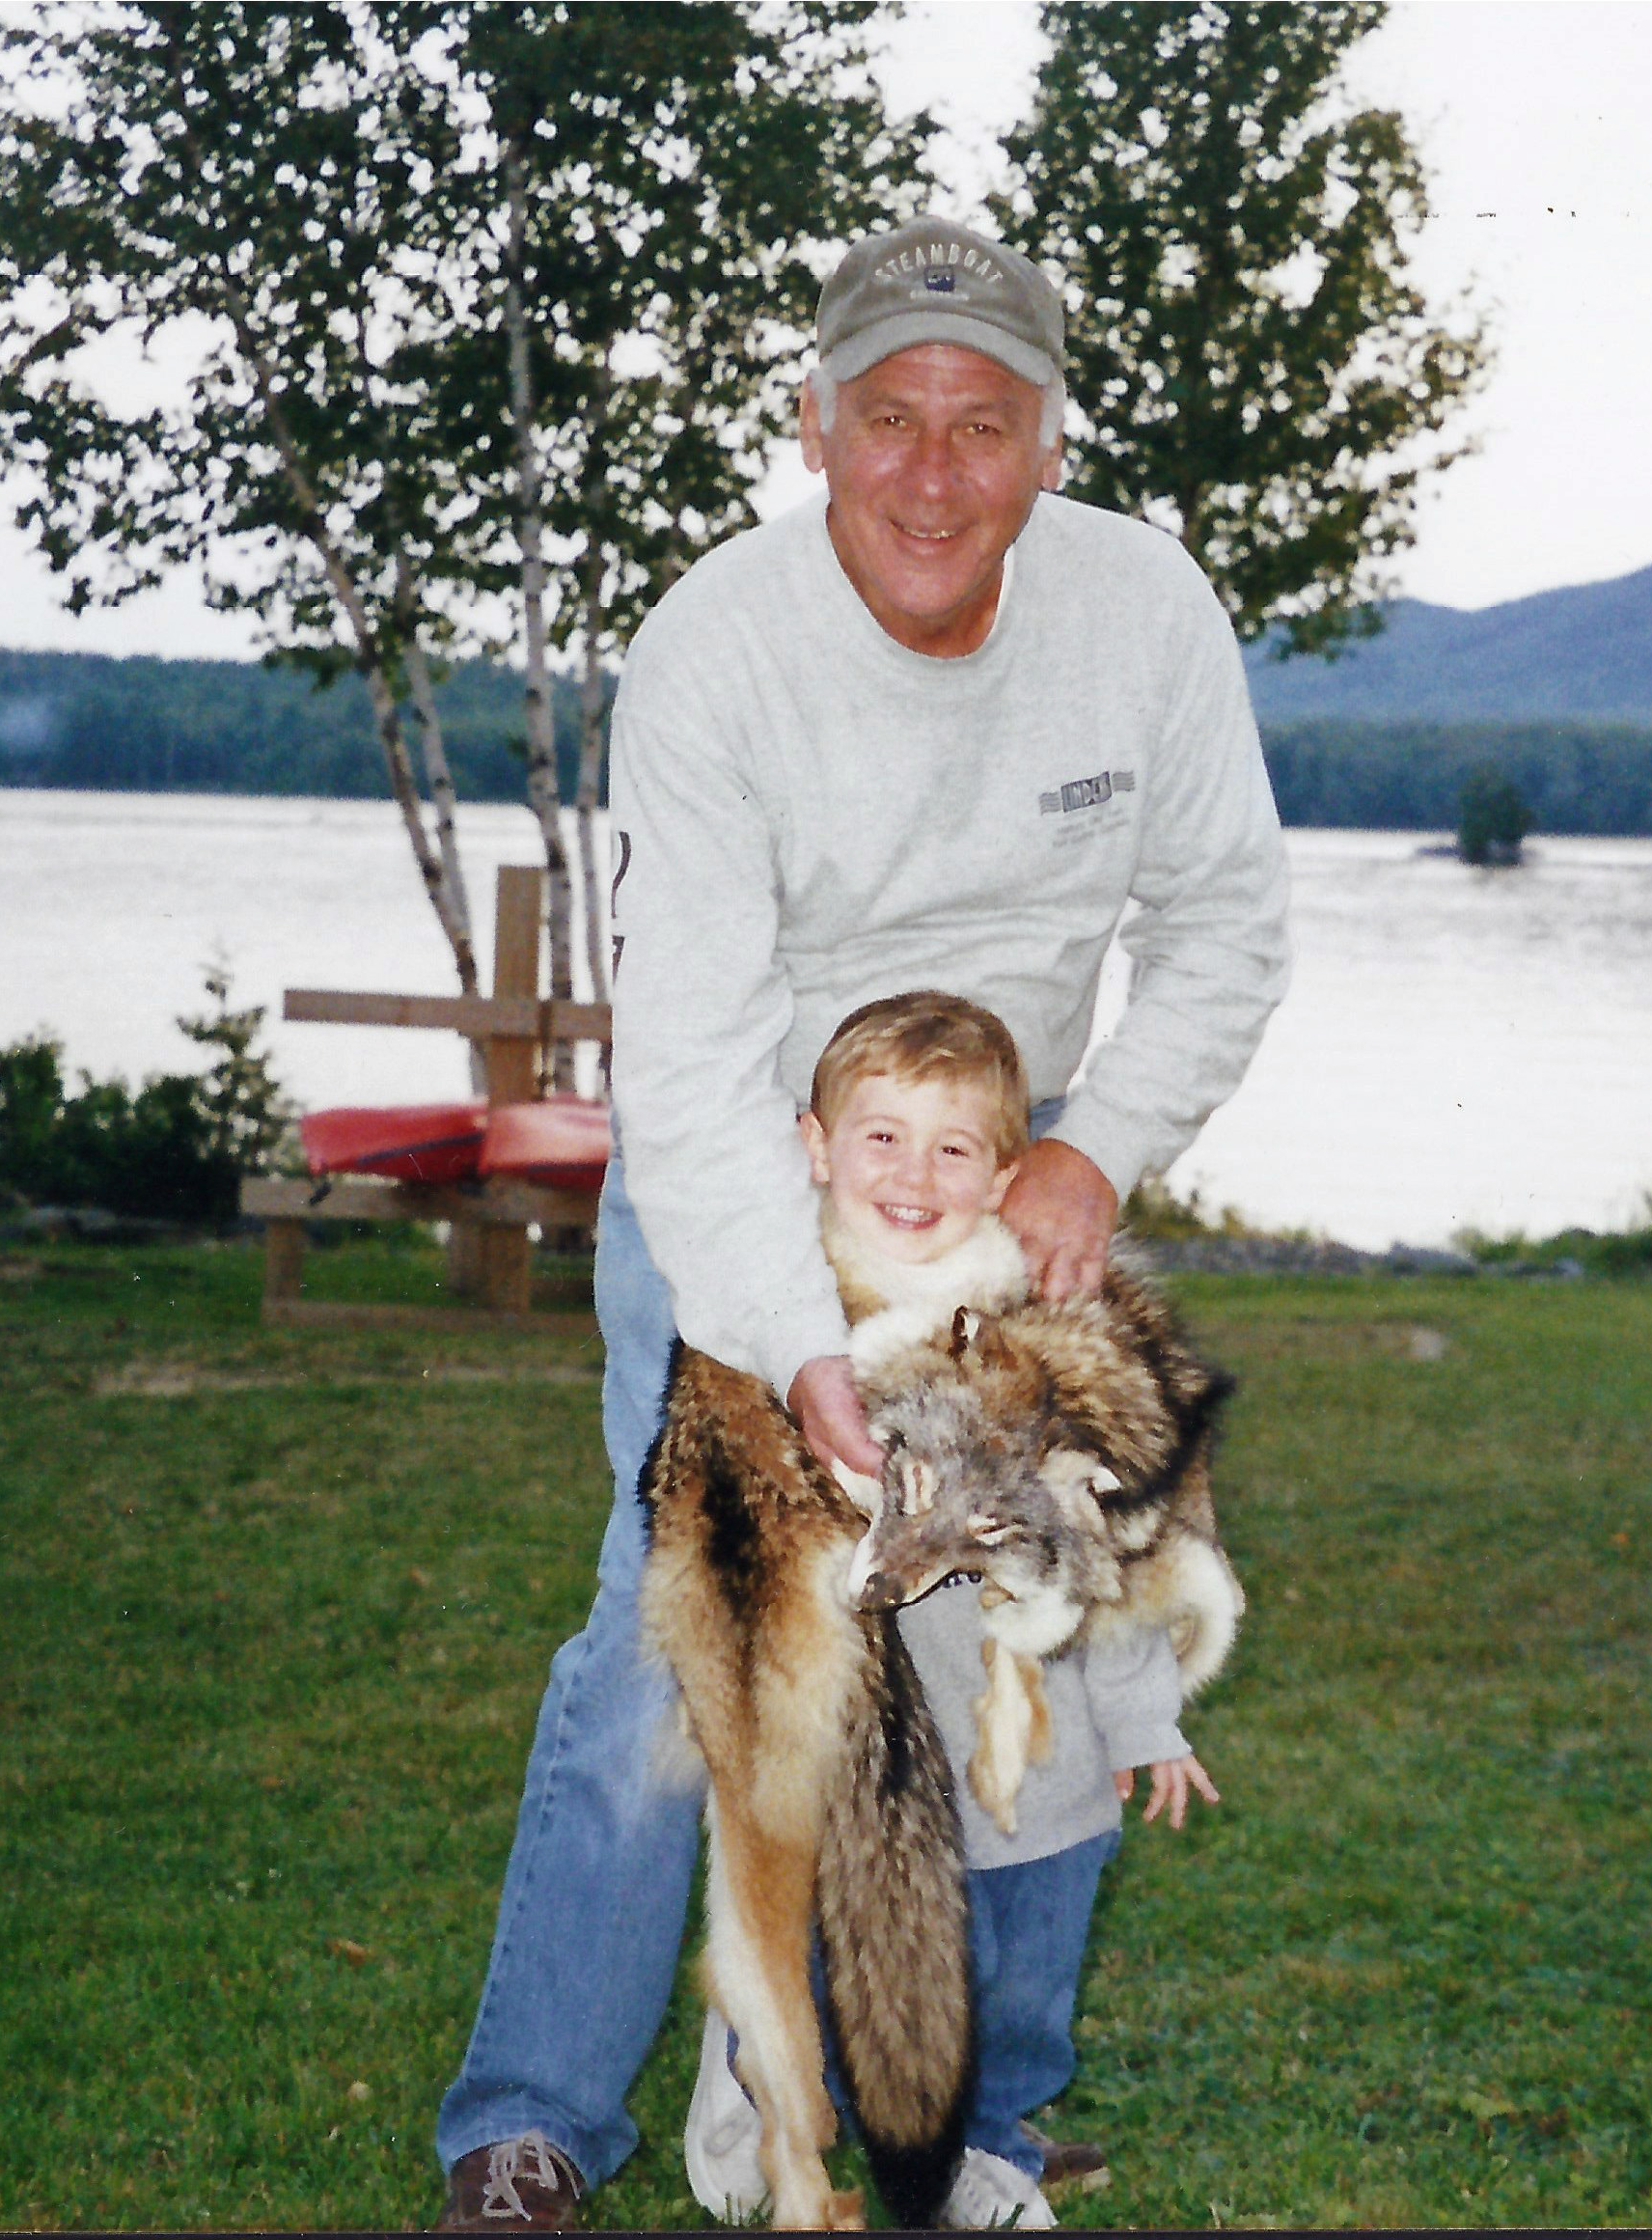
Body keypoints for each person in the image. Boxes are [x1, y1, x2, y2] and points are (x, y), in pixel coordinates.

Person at [431, 211, 1289, 2231]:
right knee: (681, 1634)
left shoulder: (1143, 614)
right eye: (885, 415)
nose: (929, 468)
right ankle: (528, 2116)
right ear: (809, 425)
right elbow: (699, 1039)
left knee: (1037, 1612)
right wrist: (787, 1343)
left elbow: (1225, 926)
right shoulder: (718, 641)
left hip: (1011, 1167)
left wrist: (1093, 1146)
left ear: (1046, 448)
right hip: (751, 1150)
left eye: (980, 423)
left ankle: (977, 2123)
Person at [676, 989, 1223, 2231]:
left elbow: (1129, 1545)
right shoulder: (782, 1313)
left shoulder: (1057, 1328)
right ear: (815, 1146)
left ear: (1008, 1172)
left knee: (1025, 1980)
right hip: (869, 1761)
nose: (913, 1173)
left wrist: (1147, 1720)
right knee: (864, 1952)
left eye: (952, 1146)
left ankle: (992, 2137)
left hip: (1050, 1754)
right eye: (881, 1137)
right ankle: (778, 2065)